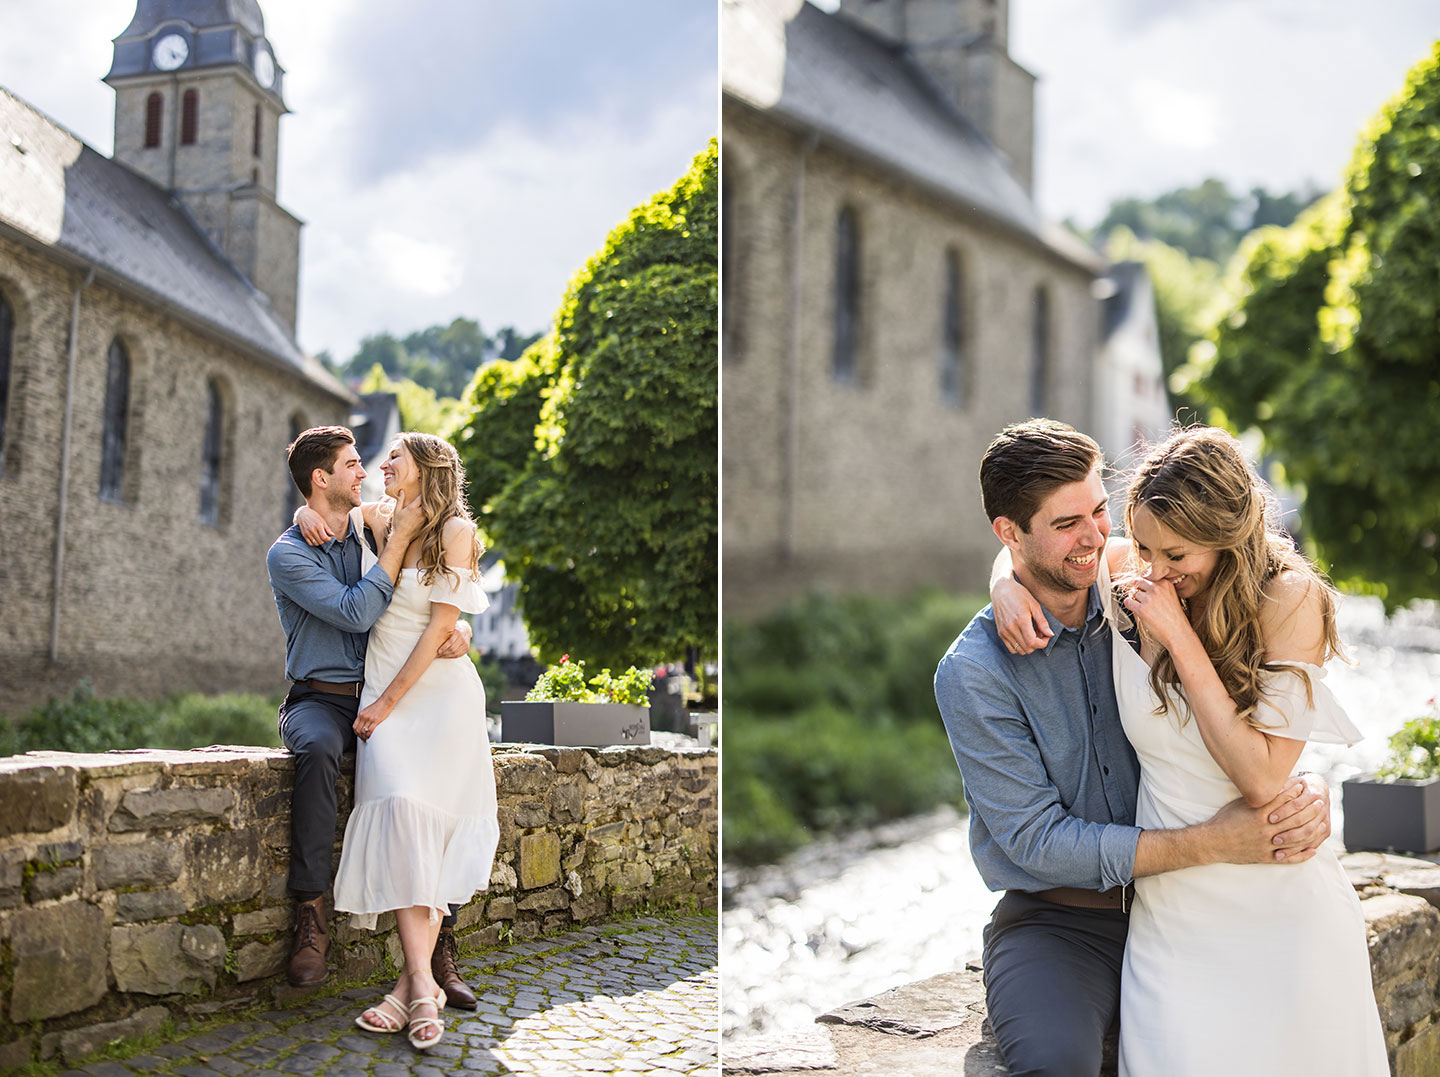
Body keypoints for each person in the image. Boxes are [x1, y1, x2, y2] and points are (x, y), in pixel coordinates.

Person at [933, 419, 1333, 1077]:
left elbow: (1230, 726)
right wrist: (1216, 841)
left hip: (1189, 902)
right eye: (1067, 524)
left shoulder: (1139, 588)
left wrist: (1303, 781)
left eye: (1097, 511)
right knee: (1057, 1063)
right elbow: (1038, 842)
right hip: (1063, 924)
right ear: (1009, 532)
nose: (1094, 536)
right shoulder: (974, 674)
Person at [298, 432, 499, 1052]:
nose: (382, 467)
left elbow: (443, 624)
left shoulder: (457, 532)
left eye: (395, 459)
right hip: (382, 688)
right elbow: (323, 504)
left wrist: (386, 703)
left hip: (435, 698)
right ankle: (421, 986)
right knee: (403, 818)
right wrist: (305, 511)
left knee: (429, 833)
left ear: (425, 470)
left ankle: (407, 989)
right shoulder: (379, 518)